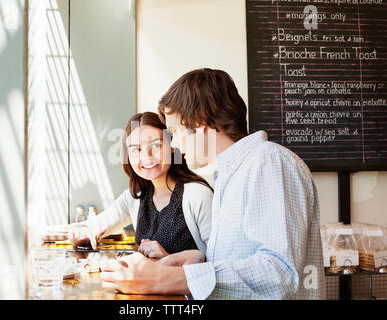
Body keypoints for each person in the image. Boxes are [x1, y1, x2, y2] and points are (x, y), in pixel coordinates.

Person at [99, 68, 325, 300]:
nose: (174, 144)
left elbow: (279, 274)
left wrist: (163, 279)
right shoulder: (231, 174)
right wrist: (197, 261)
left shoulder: (268, 161)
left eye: (175, 131)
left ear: (200, 123)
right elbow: (243, 266)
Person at [69, 112, 213, 259]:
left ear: (172, 145)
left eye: (156, 145)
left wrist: (168, 258)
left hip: (183, 282)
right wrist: (81, 232)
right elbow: (94, 225)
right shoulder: (135, 197)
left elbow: (219, 264)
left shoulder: (198, 195)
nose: (146, 157)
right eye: (136, 149)